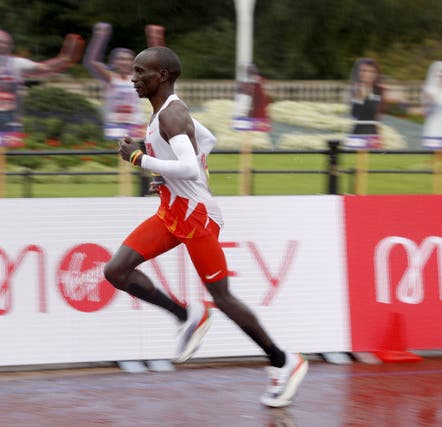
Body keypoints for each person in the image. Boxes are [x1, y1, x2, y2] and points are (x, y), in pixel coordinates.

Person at [104, 46, 308, 408]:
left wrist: (141, 159)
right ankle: (187, 315)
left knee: (224, 298)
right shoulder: (167, 114)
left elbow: (190, 168)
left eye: (140, 72)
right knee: (116, 270)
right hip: (172, 212)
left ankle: (283, 361)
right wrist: (166, 180)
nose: (133, 78)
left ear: (162, 76)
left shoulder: (171, 115)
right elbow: (207, 142)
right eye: (133, 72)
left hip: (196, 217)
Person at [83, 22, 164, 140]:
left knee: (136, 156)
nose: (124, 62)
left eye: (128, 59)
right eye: (120, 59)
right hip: (114, 124)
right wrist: (99, 36)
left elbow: (159, 63)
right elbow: (92, 61)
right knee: (115, 155)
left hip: (135, 125)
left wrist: (155, 37)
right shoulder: (110, 77)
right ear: (114, 62)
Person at [346, 58, 384, 148]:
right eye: (363, 71)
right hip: (358, 133)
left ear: (375, 74)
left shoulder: (378, 91)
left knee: (374, 159)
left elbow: (376, 113)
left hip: (373, 133)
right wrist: (360, 98)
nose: (365, 74)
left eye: (370, 71)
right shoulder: (355, 90)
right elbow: (355, 114)